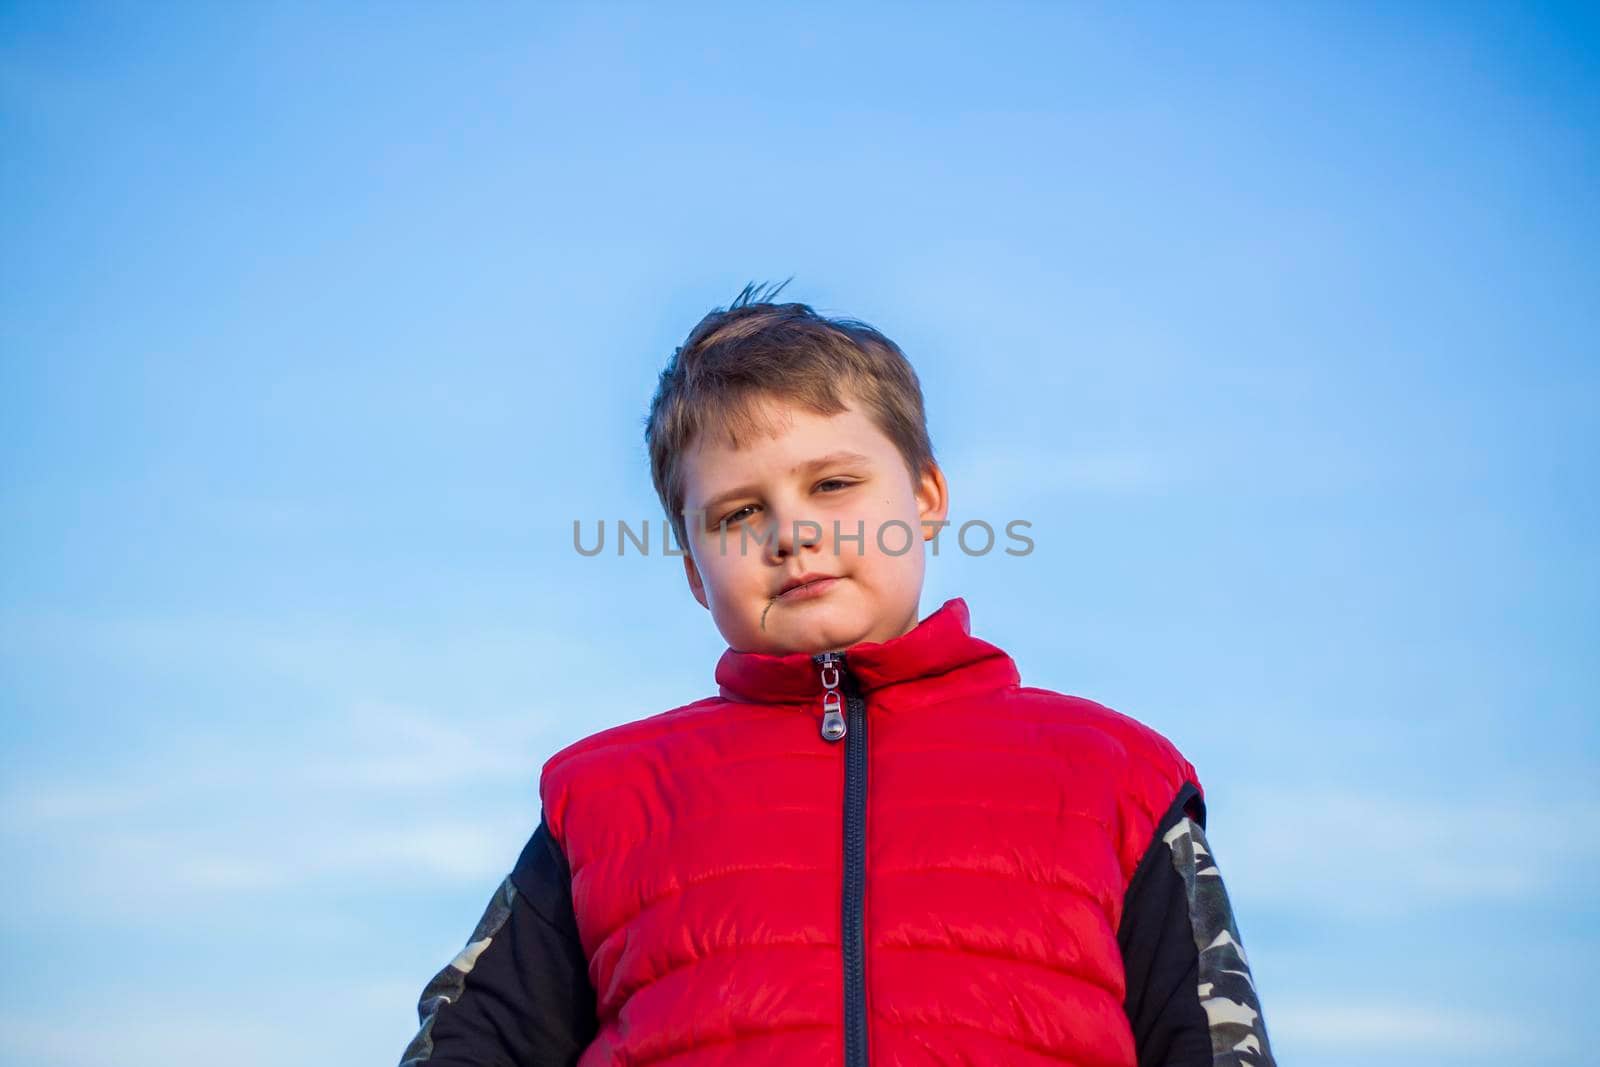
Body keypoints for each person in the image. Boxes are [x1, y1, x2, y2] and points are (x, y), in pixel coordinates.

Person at [398, 281, 1277, 1067]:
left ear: (926, 497)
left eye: (832, 484)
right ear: (695, 571)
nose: (792, 532)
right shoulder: (604, 801)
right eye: (741, 510)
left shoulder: (1118, 774)